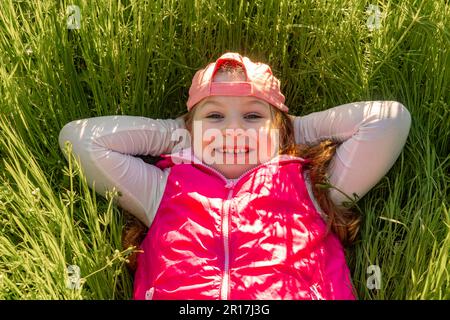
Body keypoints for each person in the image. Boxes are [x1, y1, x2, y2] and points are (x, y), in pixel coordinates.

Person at [59, 52, 411, 300]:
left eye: (253, 117)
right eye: (214, 117)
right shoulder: (162, 190)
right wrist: (177, 133)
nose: (232, 131)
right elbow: (81, 140)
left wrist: (290, 132)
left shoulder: (310, 187)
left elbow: (387, 120)